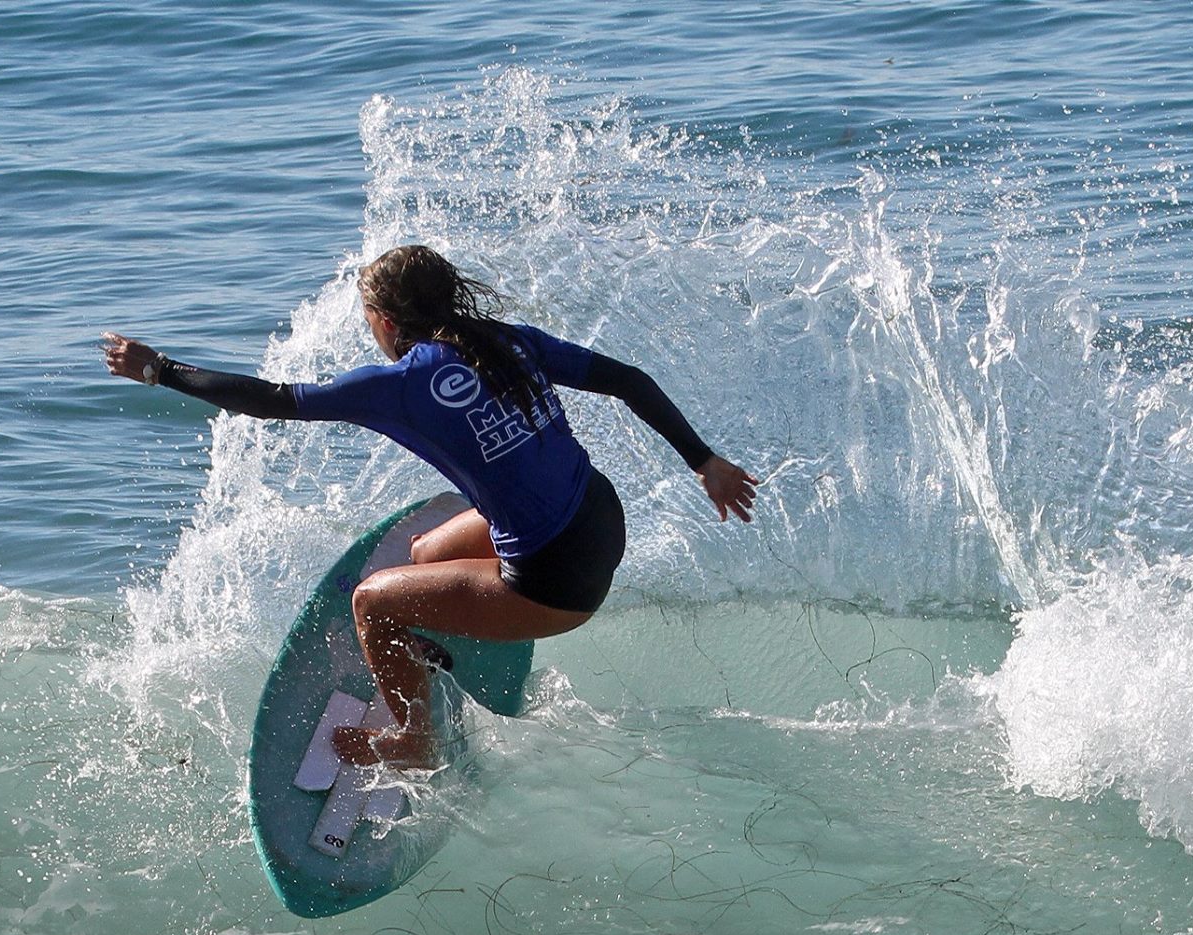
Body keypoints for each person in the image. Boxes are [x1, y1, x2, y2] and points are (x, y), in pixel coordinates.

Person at [103, 244, 757, 768]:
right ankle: (440, 640)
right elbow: (627, 380)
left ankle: (415, 741)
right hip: (601, 518)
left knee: (372, 603)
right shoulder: (509, 343)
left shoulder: (398, 386)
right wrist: (705, 462)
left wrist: (161, 369)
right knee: (422, 555)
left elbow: (273, 399)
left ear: (387, 322)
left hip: (558, 585)